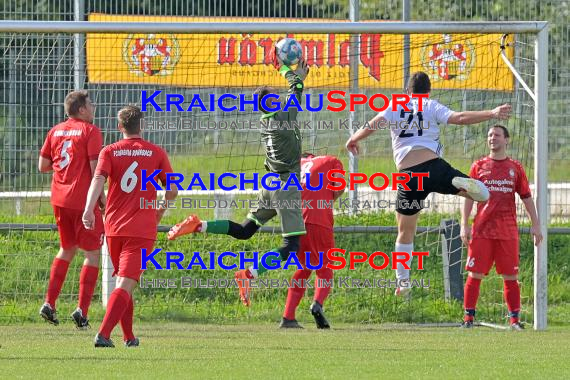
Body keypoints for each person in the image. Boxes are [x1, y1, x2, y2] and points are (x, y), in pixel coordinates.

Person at [345, 71, 511, 297]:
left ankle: (403, 283)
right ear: (428, 91)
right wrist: (491, 113)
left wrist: (354, 138)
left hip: (410, 176)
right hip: (435, 167)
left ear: (407, 92)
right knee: (479, 192)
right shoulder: (431, 105)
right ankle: (469, 188)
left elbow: (374, 123)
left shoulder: (396, 105)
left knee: (405, 231)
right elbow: (459, 118)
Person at [167, 56, 310, 307]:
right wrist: (286, 68)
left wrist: (298, 78)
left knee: (245, 231)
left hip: (270, 185)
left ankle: (200, 225)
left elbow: (295, 90)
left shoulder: (267, 120)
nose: (281, 97)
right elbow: (296, 87)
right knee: (291, 246)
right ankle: (248, 274)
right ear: (273, 102)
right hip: (285, 187)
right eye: (276, 96)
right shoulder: (284, 116)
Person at [82, 105, 177, 347]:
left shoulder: (110, 151)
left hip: (113, 228)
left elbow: (97, 181)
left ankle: (128, 337)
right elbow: (172, 190)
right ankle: (103, 335)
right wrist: (159, 212)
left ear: (119, 126)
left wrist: (88, 210)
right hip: (141, 230)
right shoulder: (156, 152)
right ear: (141, 126)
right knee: (126, 282)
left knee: (126, 281)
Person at [460, 125, 542, 330]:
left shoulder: (515, 168)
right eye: (489, 135)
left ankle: (515, 321)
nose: (492, 138)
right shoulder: (478, 166)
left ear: (507, 140)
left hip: (507, 231)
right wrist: (464, 224)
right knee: (474, 274)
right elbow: (469, 196)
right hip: (482, 231)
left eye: (496, 135)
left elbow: (526, 198)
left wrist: (536, 224)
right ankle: (468, 319)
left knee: (511, 277)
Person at [38, 90, 104, 329]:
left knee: (66, 249)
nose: (94, 107)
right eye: (91, 104)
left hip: (59, 199)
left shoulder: (55, 131)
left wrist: (65, 167)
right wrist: (102, 201)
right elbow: (97, 171)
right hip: (82, 200)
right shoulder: (91, 131)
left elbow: (43, 165)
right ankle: (81, 311)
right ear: (82, 109)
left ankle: (49, 303)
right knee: (92, 253)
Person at [280, 153, 344, 329]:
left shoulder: (295, 164)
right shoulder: (331, 160)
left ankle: (288, 317)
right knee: (325, 268)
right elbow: (338, 188)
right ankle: (317, 304)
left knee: (304, 268)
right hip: (318, 221)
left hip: (295, 222)